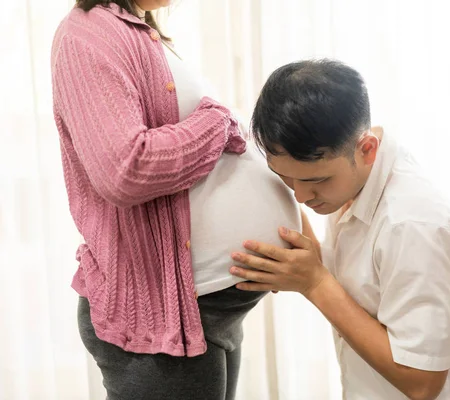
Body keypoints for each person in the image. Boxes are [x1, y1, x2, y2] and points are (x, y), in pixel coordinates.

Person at [51, 1, 302, 399]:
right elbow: (125, 169)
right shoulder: (88, 36)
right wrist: (216, 123)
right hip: (161, 317)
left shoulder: (137, 31)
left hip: (203, 310)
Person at [230, 59, 450, 400]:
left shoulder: (412, 226)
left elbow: (422, 382)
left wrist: (314, 283)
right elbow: (360, 287)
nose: (301, 195)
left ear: (366, 149)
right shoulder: (354, 184)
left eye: (316, 180)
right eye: (285, 177)